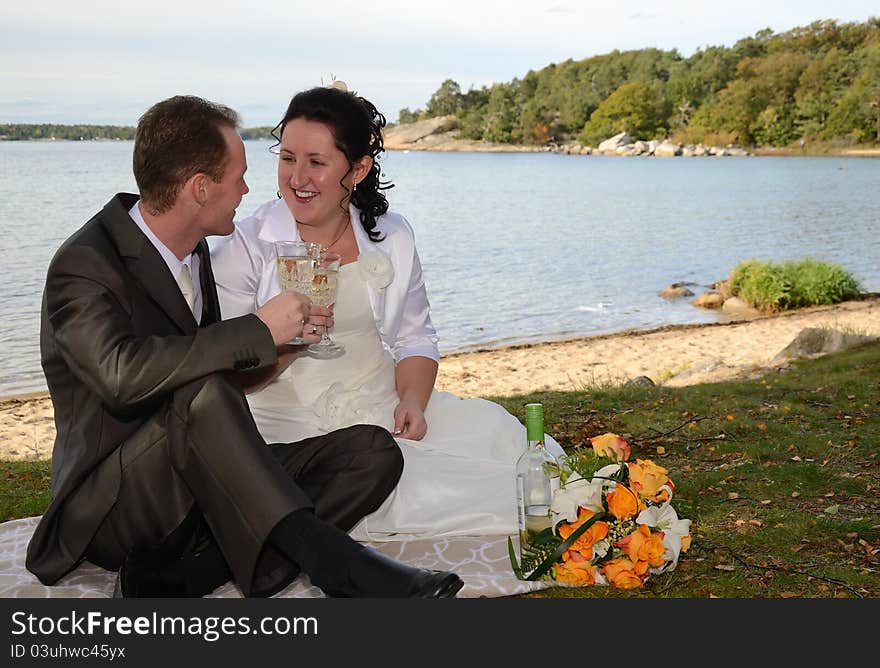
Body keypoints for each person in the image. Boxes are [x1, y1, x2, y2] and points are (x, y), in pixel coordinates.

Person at [25, 94, 463, 599]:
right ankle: (341, 566)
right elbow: (122, 377)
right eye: (238, 177)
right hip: (115, 502)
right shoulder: (86, 263)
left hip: (201, 477)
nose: (250, 189)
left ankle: (188, 576)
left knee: (372, 453)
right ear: (200, 188)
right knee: (202, 392)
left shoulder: (197, 254)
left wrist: (288, 340)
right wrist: (260, 328)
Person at [211, 84, 564, 540]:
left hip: (383, 400)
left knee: (501, 439)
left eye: (317, 163)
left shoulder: (392, 237)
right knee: (429, 491)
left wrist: (413, 401)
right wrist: (293, 343)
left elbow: (415, 337)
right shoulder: (245, 246)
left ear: (357, 169)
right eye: (287, 158)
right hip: (288, 422)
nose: (297, 177)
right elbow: (227, 376)